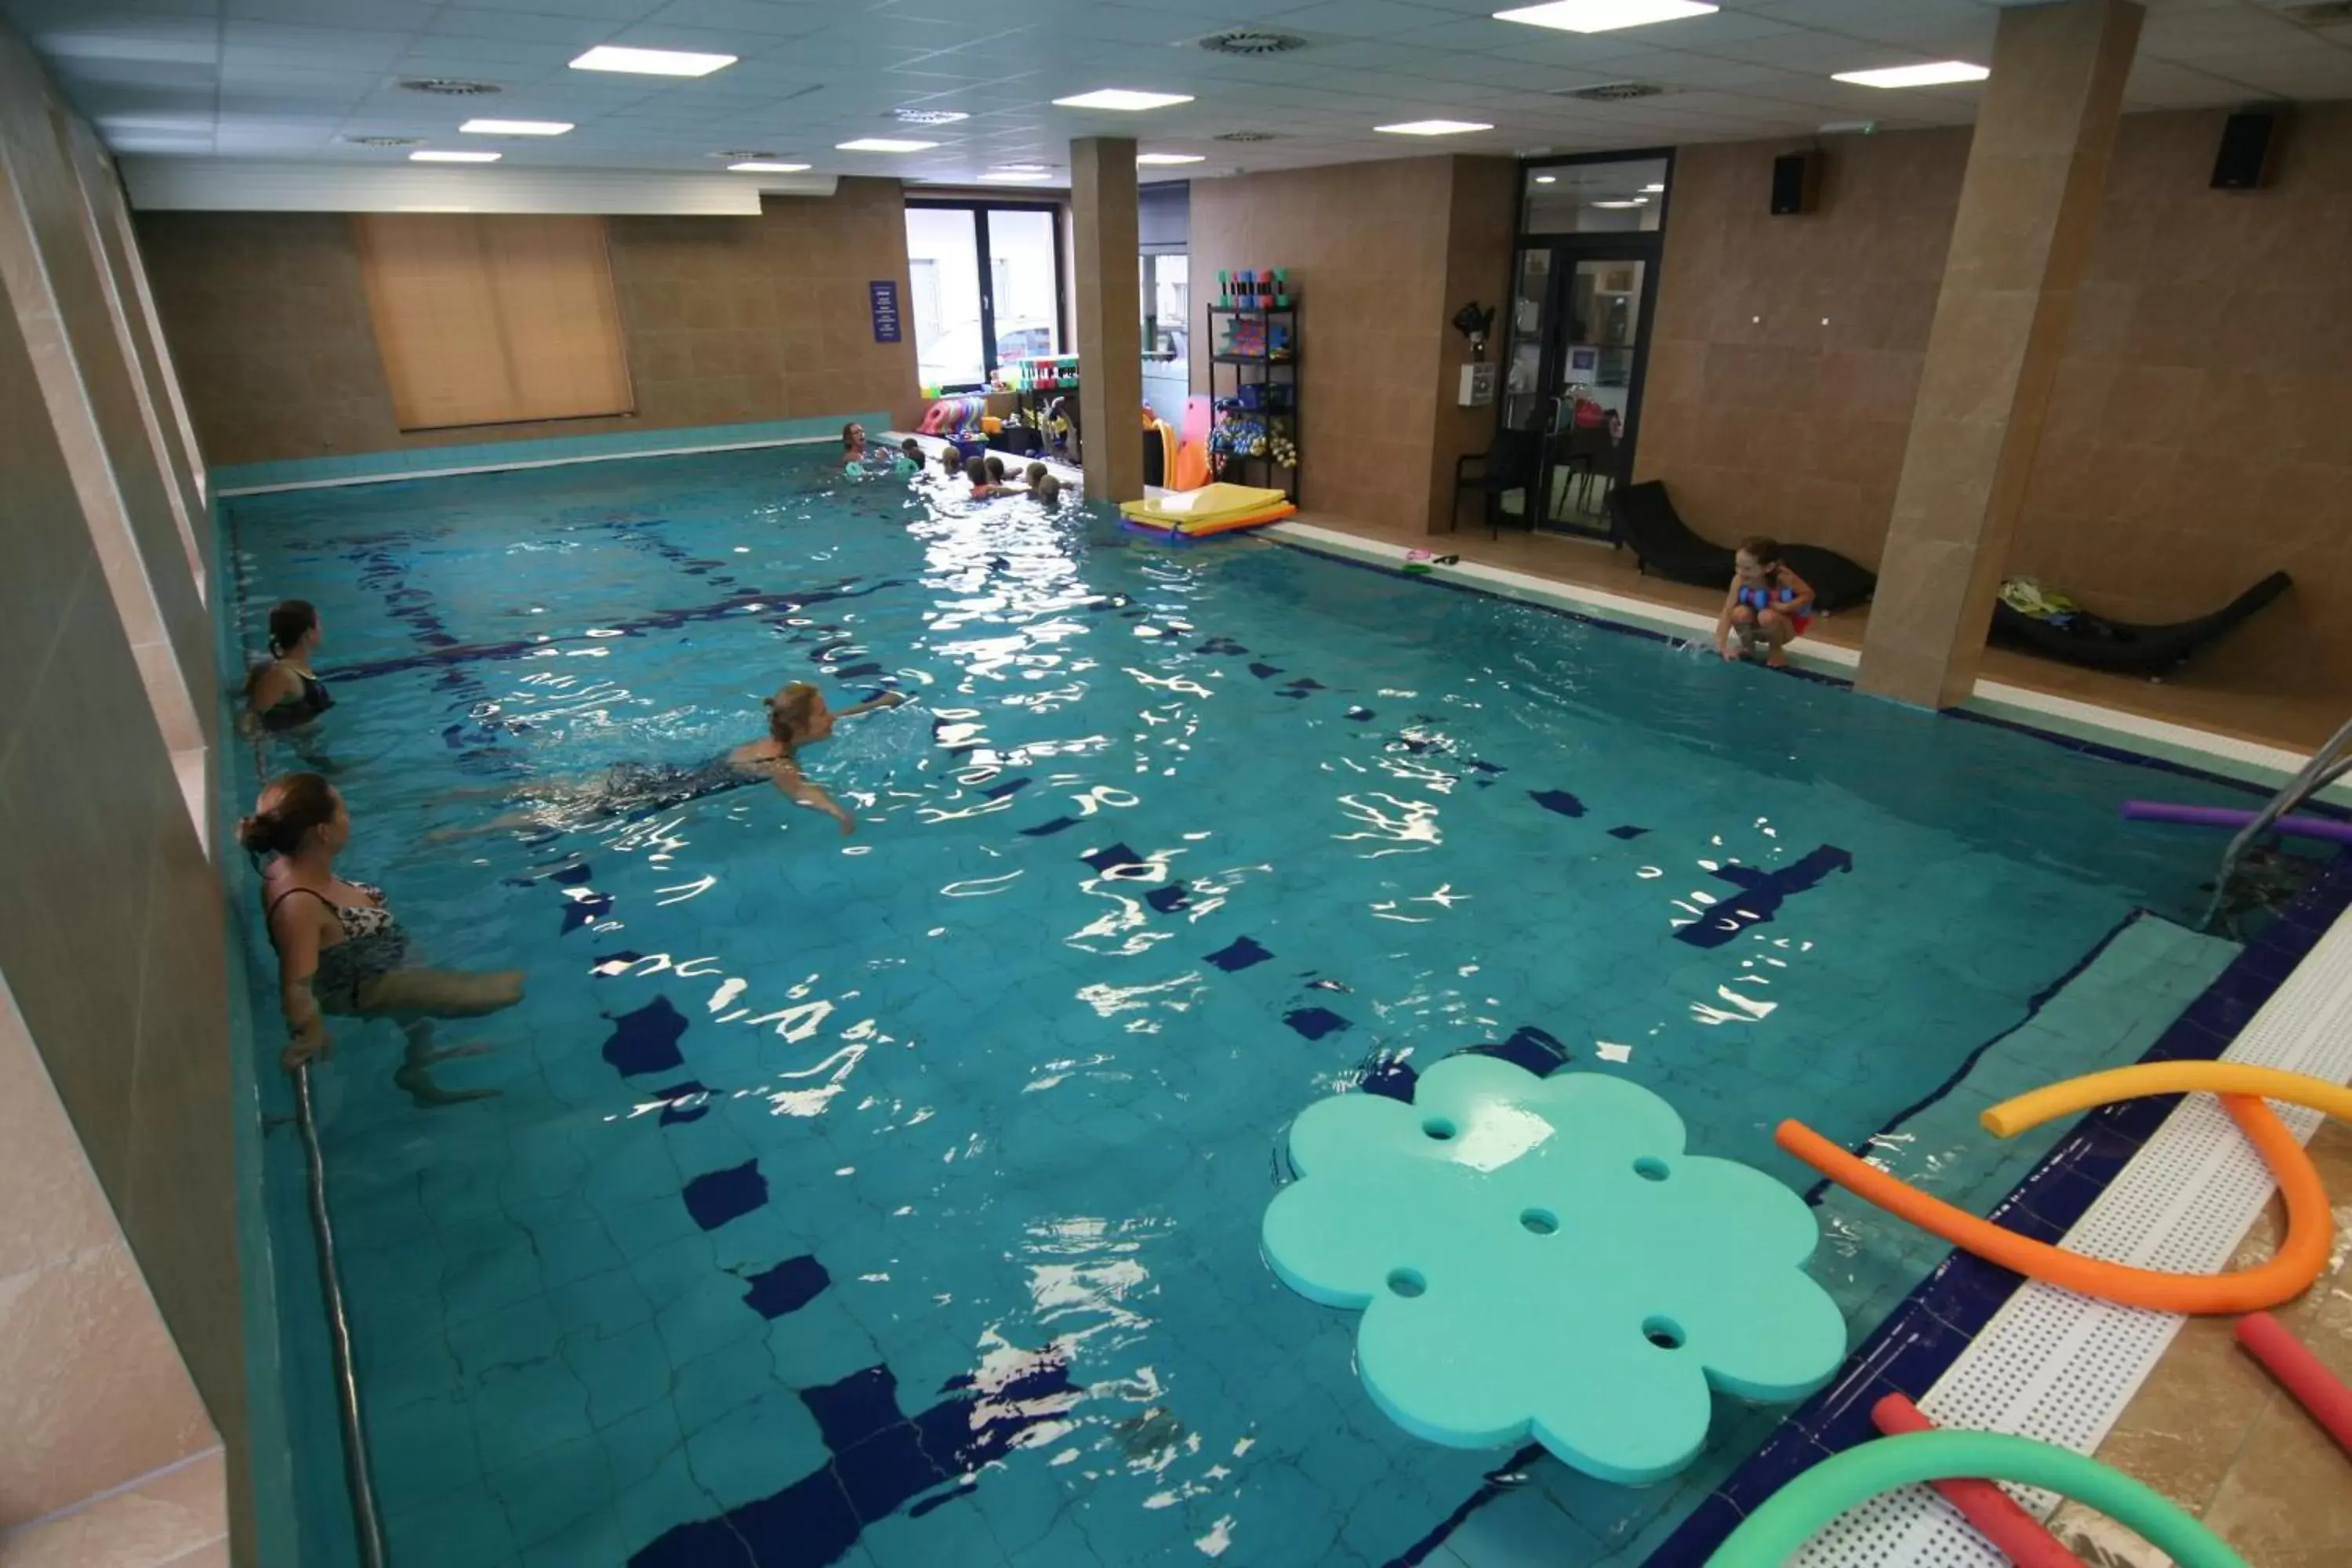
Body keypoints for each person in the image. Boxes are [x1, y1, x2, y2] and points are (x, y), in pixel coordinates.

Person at [241, 773, 522, 1106]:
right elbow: (297, 983)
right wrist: (310, 1031)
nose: (349, 818)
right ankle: (421, 1063)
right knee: (512, 990)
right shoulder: (299, 903)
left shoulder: (284, 867)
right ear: (323, 832)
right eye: (342, 811)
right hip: (369, 985)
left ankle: (416, 1069)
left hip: (377, 959)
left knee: (417, 1023)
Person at [441, 684, 907, 838]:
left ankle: (473, 794)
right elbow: (801, 792)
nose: (832, 720)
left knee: (565, 786)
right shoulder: (780, 764)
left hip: (657, 774)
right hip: (662, 792)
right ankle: (466, 830)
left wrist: (875, 705)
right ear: (803, 729)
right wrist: (837, 811)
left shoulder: (771, 738)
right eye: (824, 714)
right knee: (559, 815)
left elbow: (829, 718)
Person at [1715, 535, 1814, 669]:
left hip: (1784, 628)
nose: (1740, 572)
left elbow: (1809, 595)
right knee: (1739, 613)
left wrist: (1786, 606)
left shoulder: (1783, 577)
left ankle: (1776, 651)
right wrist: (1722, 646)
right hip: (1756, 627)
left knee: (1767, 616)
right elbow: (1727, 610)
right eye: (1738, 566)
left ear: (1769, 567)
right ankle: (1747, 647)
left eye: (1747, 568)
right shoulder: (1739, 579)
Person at [243, 600, 332, 733]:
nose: (322, 629)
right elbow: (250, 720)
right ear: (308, 633)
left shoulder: (295, 671)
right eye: (318, 622)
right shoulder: (282, 676)